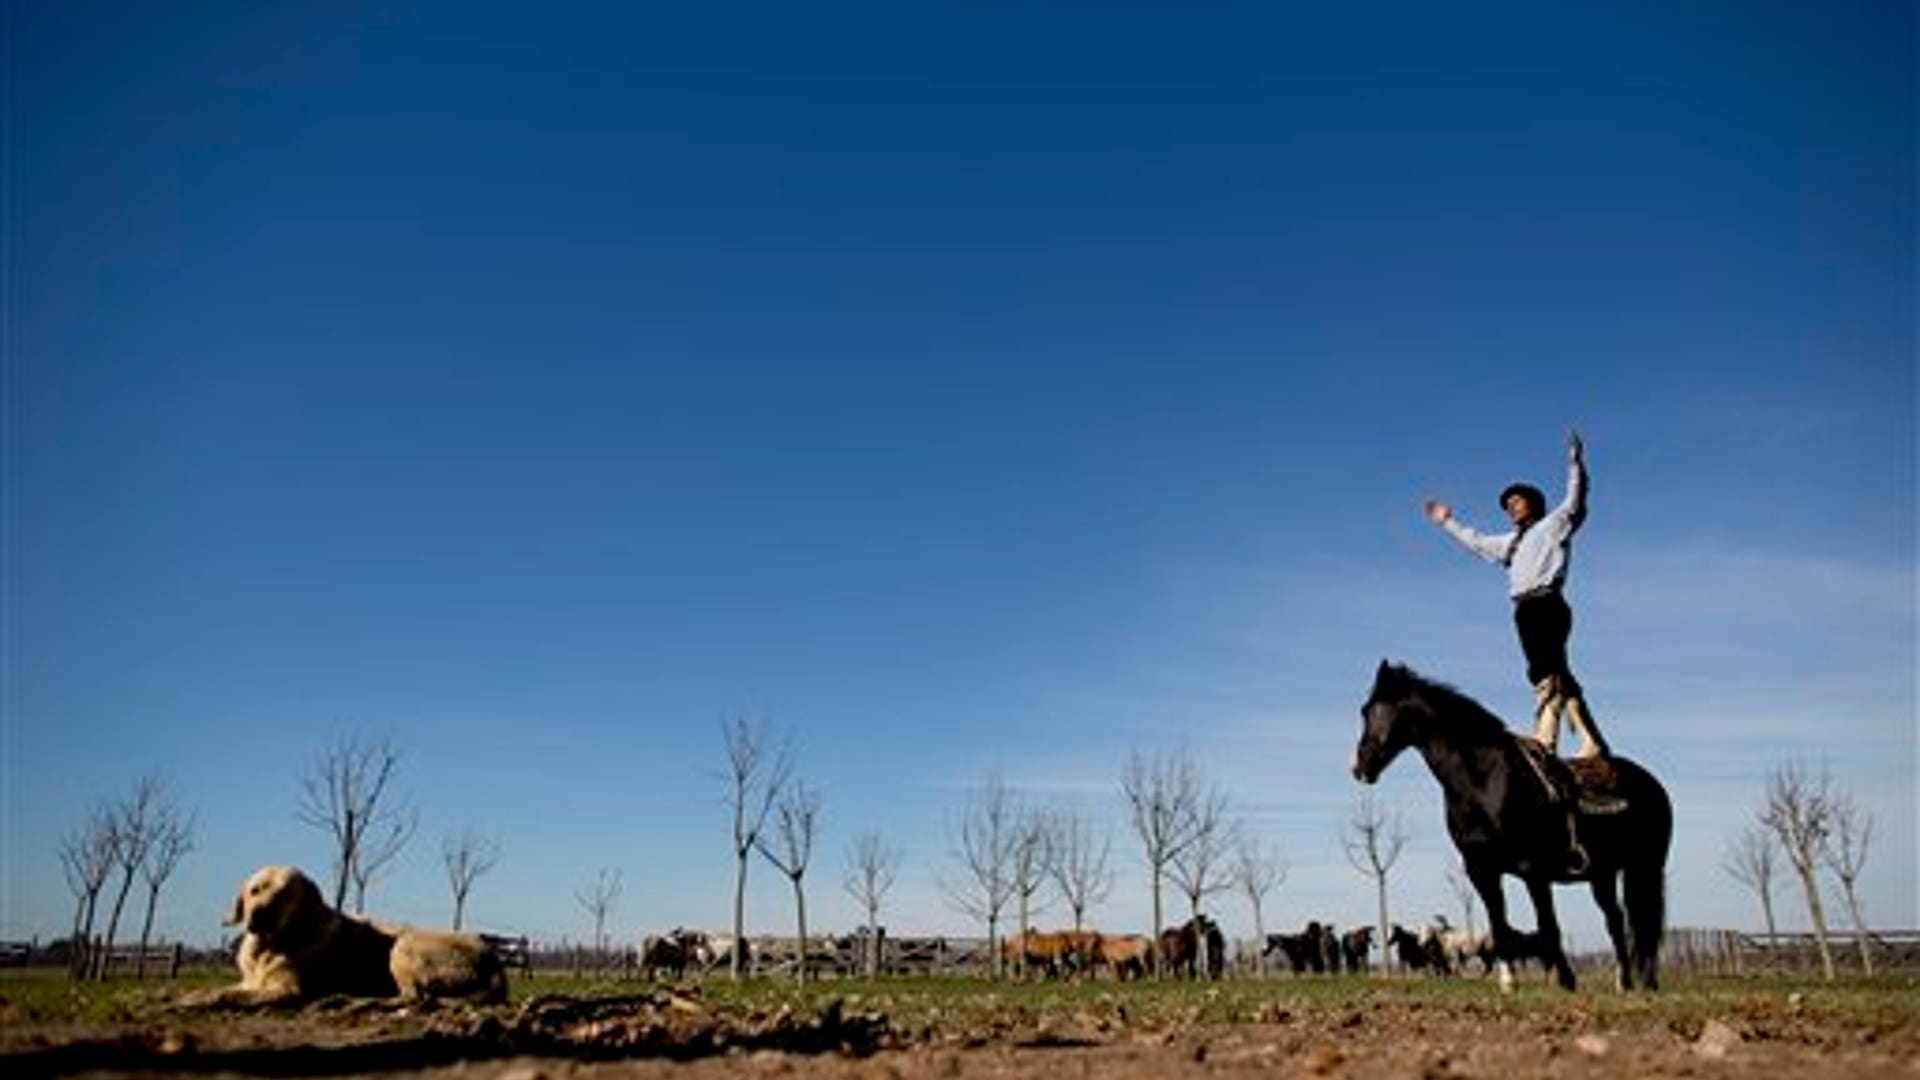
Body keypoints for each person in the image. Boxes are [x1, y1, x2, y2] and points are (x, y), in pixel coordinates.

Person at [1423, 430, 1612, 762]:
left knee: (1544, 669)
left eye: (1516, 501)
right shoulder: (1511, 543)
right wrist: (1447, 522)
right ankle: (1591, 740)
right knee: (1556, 672)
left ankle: (1545, 739)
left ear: (1533, 503)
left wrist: (1575, 464)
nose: (1511, 507)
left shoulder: (1552, 525)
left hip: (1547, 602)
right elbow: (1477, 541)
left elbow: (1576, 499)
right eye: (1507, 504)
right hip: (1523, 609)